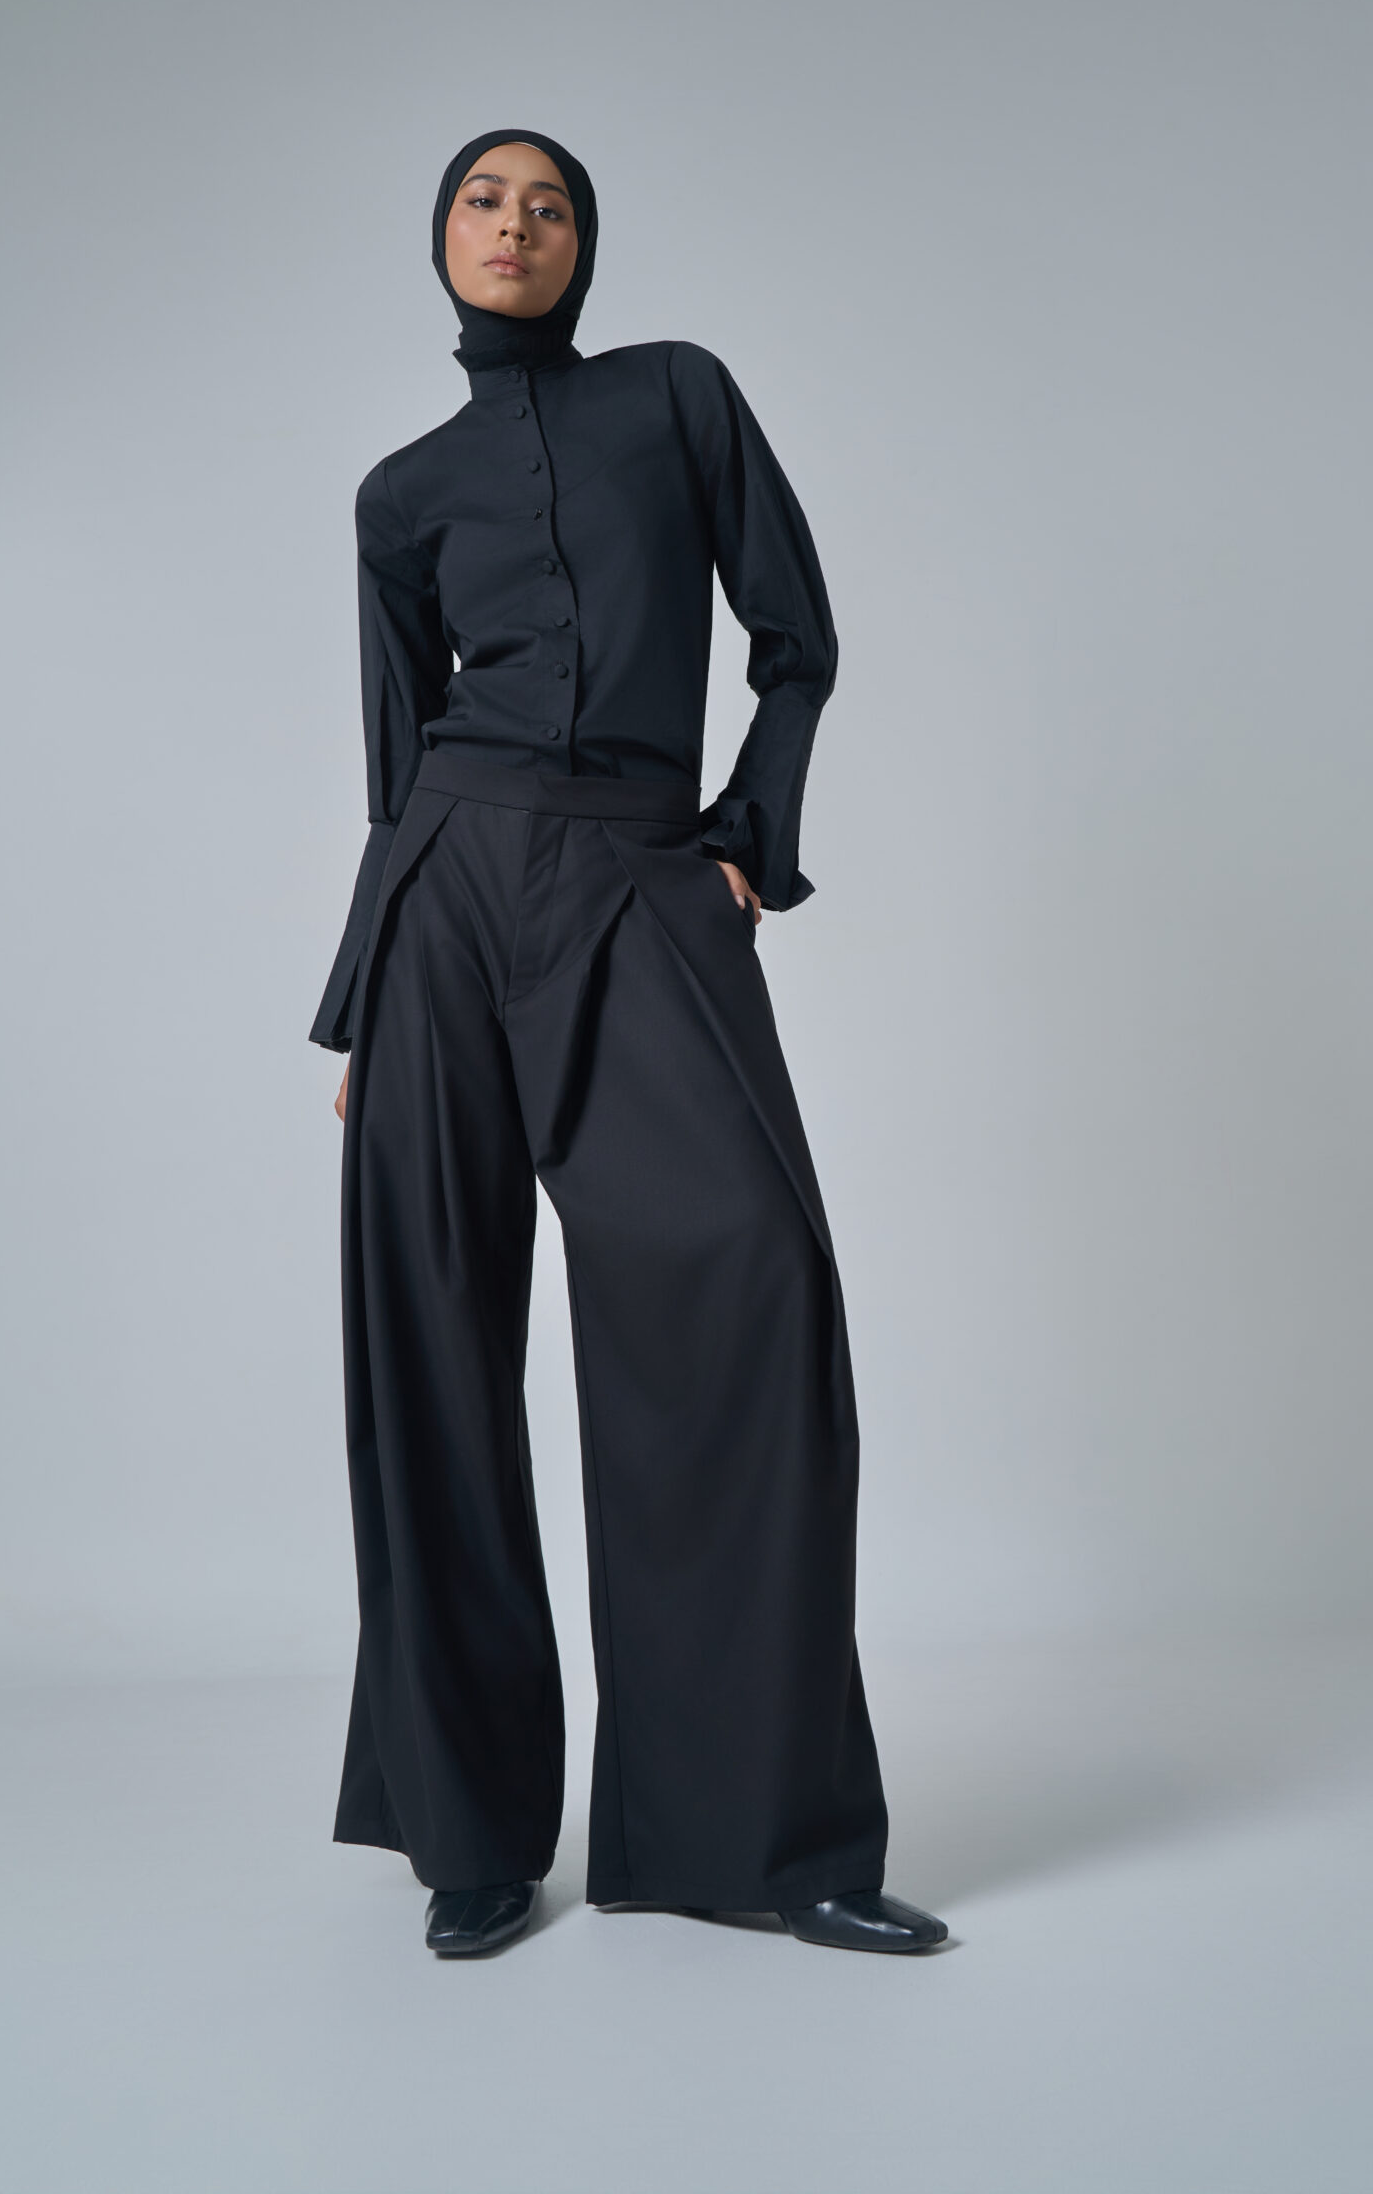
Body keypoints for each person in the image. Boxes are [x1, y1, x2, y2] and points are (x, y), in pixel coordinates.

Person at [312, 128, 945, 1961]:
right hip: (443, 906)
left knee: (750, 1275)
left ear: (586, 243)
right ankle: (473, 1834)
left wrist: (747, 837)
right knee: (430, 1348)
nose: (514, 225)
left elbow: (795, 639)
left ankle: (770, 1840)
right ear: (441, 238)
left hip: (638, 880)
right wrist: (360, 1000)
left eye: (550, 204)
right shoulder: (399, 494)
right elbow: (394, 769)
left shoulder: (677, 398)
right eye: (482, 200)